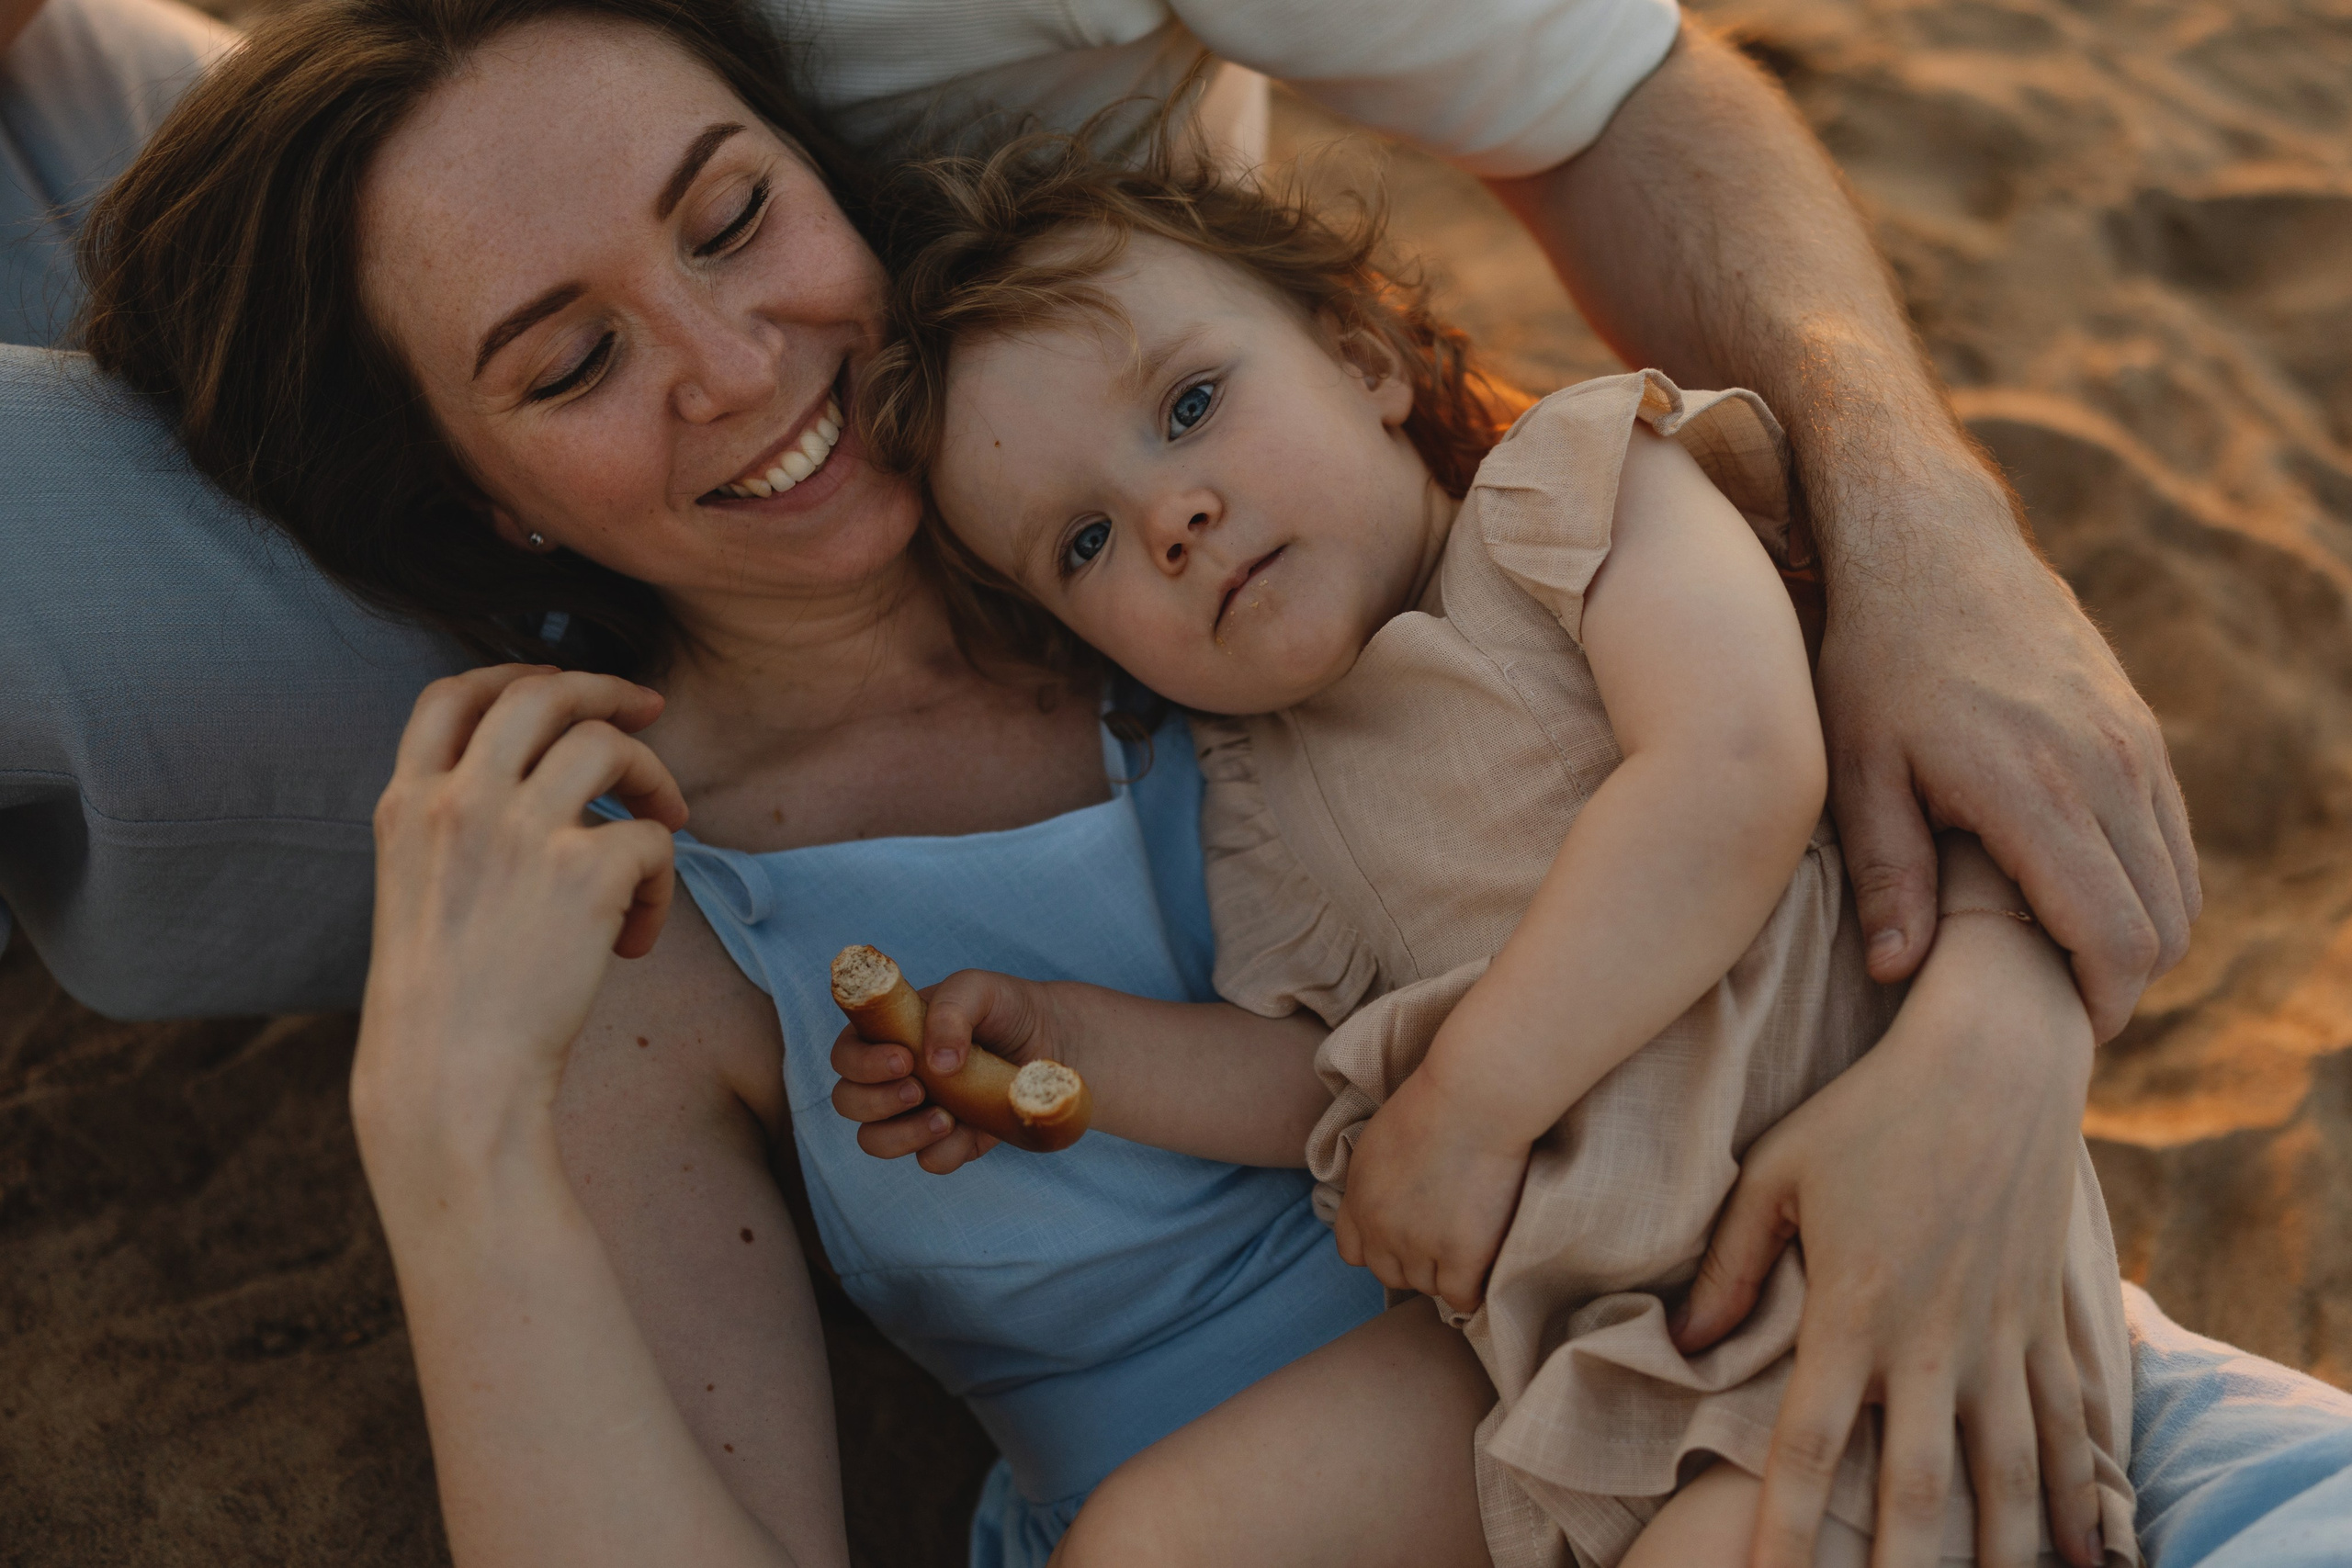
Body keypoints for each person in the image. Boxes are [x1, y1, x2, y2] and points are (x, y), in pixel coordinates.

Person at [15, 0, 2352, 1564]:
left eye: (733, 217)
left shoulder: (1261, 528)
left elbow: (1823, 742)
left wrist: (1982, 1054)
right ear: (487, 493)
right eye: (571, 361)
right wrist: (444, 1149)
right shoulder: (655, 908)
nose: (735, 367)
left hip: (2007, 1394)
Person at [832, 128, 2135, 1566]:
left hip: (1875, 1284)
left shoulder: (1572, 499)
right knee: (1153, 1536)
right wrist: (1066, 1049)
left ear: (1364, 357)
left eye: (1193, 403)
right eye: (1081, 543)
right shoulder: (1256, 797)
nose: (1171, 517)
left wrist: (1469, 1111)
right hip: (1573, 1361)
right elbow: (1336, 1079)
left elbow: (1736, 772)